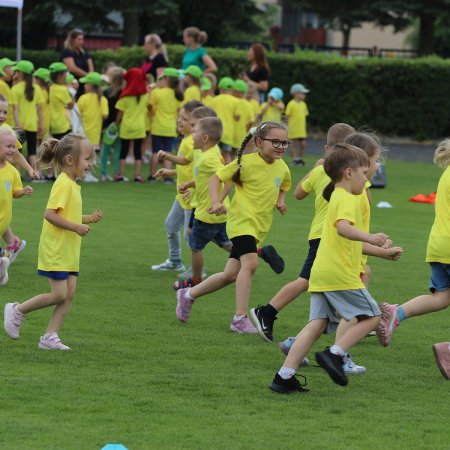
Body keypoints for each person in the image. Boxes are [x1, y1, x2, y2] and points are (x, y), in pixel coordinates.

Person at [268, 144, 399, 393]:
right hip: (339, 273)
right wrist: (371, 237)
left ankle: (284, 377)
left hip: (322, 272)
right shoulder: (347, 197)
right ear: (349, 173)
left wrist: (381, 252)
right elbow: (343, 229)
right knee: (372, 316)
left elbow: (347, 241)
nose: (366, 178)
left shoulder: (337, 196)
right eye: (364, 172)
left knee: (316, 324)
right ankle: (335, 354)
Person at [175, 121, 291, 334]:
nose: (281, 146)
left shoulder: (282, 167)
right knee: (251, 264)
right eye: (275, 141)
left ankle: (188, 294)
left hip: (259, 227)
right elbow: (215, 178)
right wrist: (216, 201)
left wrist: (280, 201)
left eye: (285, 143)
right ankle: (239, 318)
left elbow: (283, 185)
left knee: (230, 275)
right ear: (259, 141)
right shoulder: (244, 162)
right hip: (241, 222)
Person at [250, 123, 356, 343]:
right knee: (307, 280)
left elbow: (298, 193)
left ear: (327, 148)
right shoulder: (353, 174)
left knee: (347, 277)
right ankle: (267, 312)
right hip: (331, 235)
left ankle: (354, 318)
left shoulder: (319, 170)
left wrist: (317, 168)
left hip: (323, 233)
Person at [3, 133, 103, 350]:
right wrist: (77, 227)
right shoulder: (63, 184)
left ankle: (50, 336)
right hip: (56, 249)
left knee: (69, 294)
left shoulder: (72, 184)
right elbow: (50, 214)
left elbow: (67, 214)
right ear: (69, 160)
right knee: (59, 294)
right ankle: (17, 310)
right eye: (87, 158)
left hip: (69, 250)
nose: (90, 163)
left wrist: (86, 219)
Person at [377, 138, 450, 380]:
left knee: (441, 297)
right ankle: (448, 350)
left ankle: (397, 313)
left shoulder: (447, 172)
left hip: (439, 245)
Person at [151, 100, 203, 272]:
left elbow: (200, 172)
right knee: (171, 226)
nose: (180, 121)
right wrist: (170, 172)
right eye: (179, 117)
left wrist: (167, 156)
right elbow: (186, 167)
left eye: (185, 119)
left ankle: (198, 270)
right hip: (181, 195)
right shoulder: (187, 140)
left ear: (196, 123)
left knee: (190, 236)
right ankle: (175, 261)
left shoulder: (193, 143)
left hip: (191, 196)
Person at [0, 95, 36, 262]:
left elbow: (16, 154)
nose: (2, 115)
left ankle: (9, 249)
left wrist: (29, 168)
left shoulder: (8, 131)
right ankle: (10, 247)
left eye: (5, 111)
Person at [0, 126, 34, 285]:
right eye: (8, 146)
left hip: (3, 222)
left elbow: (14, 192)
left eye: (14, 147)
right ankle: (3, 261)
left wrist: (23, 191)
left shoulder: (12, 171)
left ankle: (3, 261)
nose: (12, 150)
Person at [148, 67, 183, 182]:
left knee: (155, 152)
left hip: (157, 127)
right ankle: (168, 177)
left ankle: (152, 176)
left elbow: (150, 106)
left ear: (166, 79)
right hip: (170, 127)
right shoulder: (177, 94)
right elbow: (179, 112)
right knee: (168, 152)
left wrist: (151, 113)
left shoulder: (157, 92)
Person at [115, 68, 148, 182]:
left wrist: (116, 123)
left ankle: (120, 174)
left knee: (123, 151)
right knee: (137, 152)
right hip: (140, 127)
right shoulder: (145, 95)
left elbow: (120, 112)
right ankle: (137, 175)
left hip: (126, 126)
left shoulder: (125, 96)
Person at [10, 60, 44, 169]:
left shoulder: (15, 89)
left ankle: (17, 175)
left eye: (17, 71)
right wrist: (41, 124)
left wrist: (18, 125)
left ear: (21, 73)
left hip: (19, 125)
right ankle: (35, 174)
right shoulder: (37, 88)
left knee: (16, 152)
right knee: (32, 151)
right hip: (32, 124)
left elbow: (15, 109)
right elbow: (40, 110)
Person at [100, 67, 124, 181]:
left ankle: (103, 173)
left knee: (105, 149)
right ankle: (116, 173)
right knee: (118, 149)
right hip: (119, 124)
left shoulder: (106, 92)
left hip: (108, 125)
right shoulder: (124, 92)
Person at [210, 77, 239, 164]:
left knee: (214, 152)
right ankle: (228, 173)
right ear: (232, 89)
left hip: (215, 130)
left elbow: (210, 114)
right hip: (228, 132)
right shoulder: (236, 101)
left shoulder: (214, 100)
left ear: (220, 88)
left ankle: (214, 170)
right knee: (226, 153)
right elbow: (237, 117)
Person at [61, 29, 94, 97]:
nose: (81, 42)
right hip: (73, 84)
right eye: (79, 39)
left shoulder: (84, 52)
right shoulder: (66, 52)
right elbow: (72, 68)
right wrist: (89, 77)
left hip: (84, 84)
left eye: (82, 39)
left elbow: (91, 65)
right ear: (72, 40)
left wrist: (91, 77)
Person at [285, 83, 310, 167]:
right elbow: (287, 116)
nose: (304, 95)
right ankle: (293, 160)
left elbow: (305, 115)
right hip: (293, 129)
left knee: (303, 144)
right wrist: (287, 127)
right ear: (296, 93)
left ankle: (299, 159)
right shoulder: (291, 104)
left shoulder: (304, 104)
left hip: (301, 129)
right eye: (302, 93)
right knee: (292, 144)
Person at [48, 62, 74, 139]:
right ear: (60, 76)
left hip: (52, 124)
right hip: (62, 125)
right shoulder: (62, 89)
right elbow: (71, 105)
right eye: (66, 75)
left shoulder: (50, 88)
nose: (66, 77)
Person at [232, 79, 253, 152]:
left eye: (233, 90)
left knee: (226, 154)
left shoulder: (232, 101)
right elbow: (251, 121)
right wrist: (246, 130)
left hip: (230, 133)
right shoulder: (248, 105)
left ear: (237, 92)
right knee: (237, 156)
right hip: (241, 134)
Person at [0, 58, 16, 126]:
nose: (12, 72)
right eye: (10, 68)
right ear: (3, 69)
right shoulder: (1, 85)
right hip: (5, 124)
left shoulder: (4, 84)